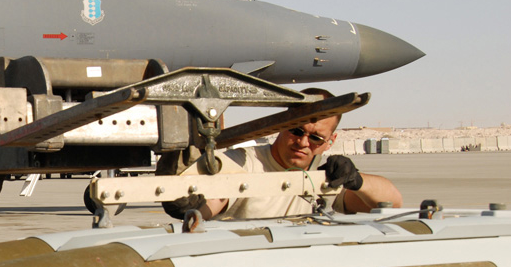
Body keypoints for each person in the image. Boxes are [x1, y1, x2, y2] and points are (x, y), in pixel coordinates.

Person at [165, 94, 402, 220]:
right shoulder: (245, 162)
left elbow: (392, 202)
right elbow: (214, 203)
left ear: (330, 142)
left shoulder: (325, 176)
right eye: (296, 131)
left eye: (316, 138)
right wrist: (191, 209)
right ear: (281, 126)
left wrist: (356, 180)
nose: (302, 142)